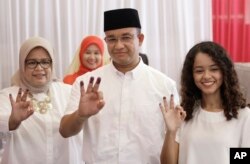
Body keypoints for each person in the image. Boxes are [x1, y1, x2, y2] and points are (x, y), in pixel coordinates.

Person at [59, 8, 179, 163]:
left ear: (140, 39)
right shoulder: (87, 83)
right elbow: (65, 131)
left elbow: (174, 140)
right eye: (112, 39)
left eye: (126, 37)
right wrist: (81, 115)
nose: (118, 45)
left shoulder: (164, 86)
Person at [160, 41, 250, 164]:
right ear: (191, 75)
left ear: (224, 72)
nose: (206, 76)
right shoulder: (184, 113)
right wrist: (171, 132)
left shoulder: (243, 116)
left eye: (214, 69)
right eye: (199, 71)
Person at [0, 36, 82, 164]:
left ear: (52, 63)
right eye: (32, 62)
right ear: (22, 65)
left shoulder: (68, 92)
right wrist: (12, 121)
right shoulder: (8, 96)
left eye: (45, 62)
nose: (39, 68)